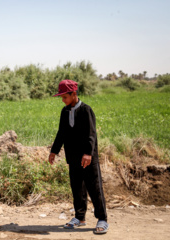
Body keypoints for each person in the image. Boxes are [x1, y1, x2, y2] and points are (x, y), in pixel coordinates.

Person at [48, 79, 109, 234]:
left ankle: (102, 219)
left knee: (94, 188)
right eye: (61, 98)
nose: (63, 100)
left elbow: (91, 134)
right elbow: (61, 133)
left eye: (64, 97)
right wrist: (54, 151)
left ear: (73, 94)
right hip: (73, 157)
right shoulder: (65, 111)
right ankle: (80, 217)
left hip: (88, 158)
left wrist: (88, 153)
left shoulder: (86, 110)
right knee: (77, 188)